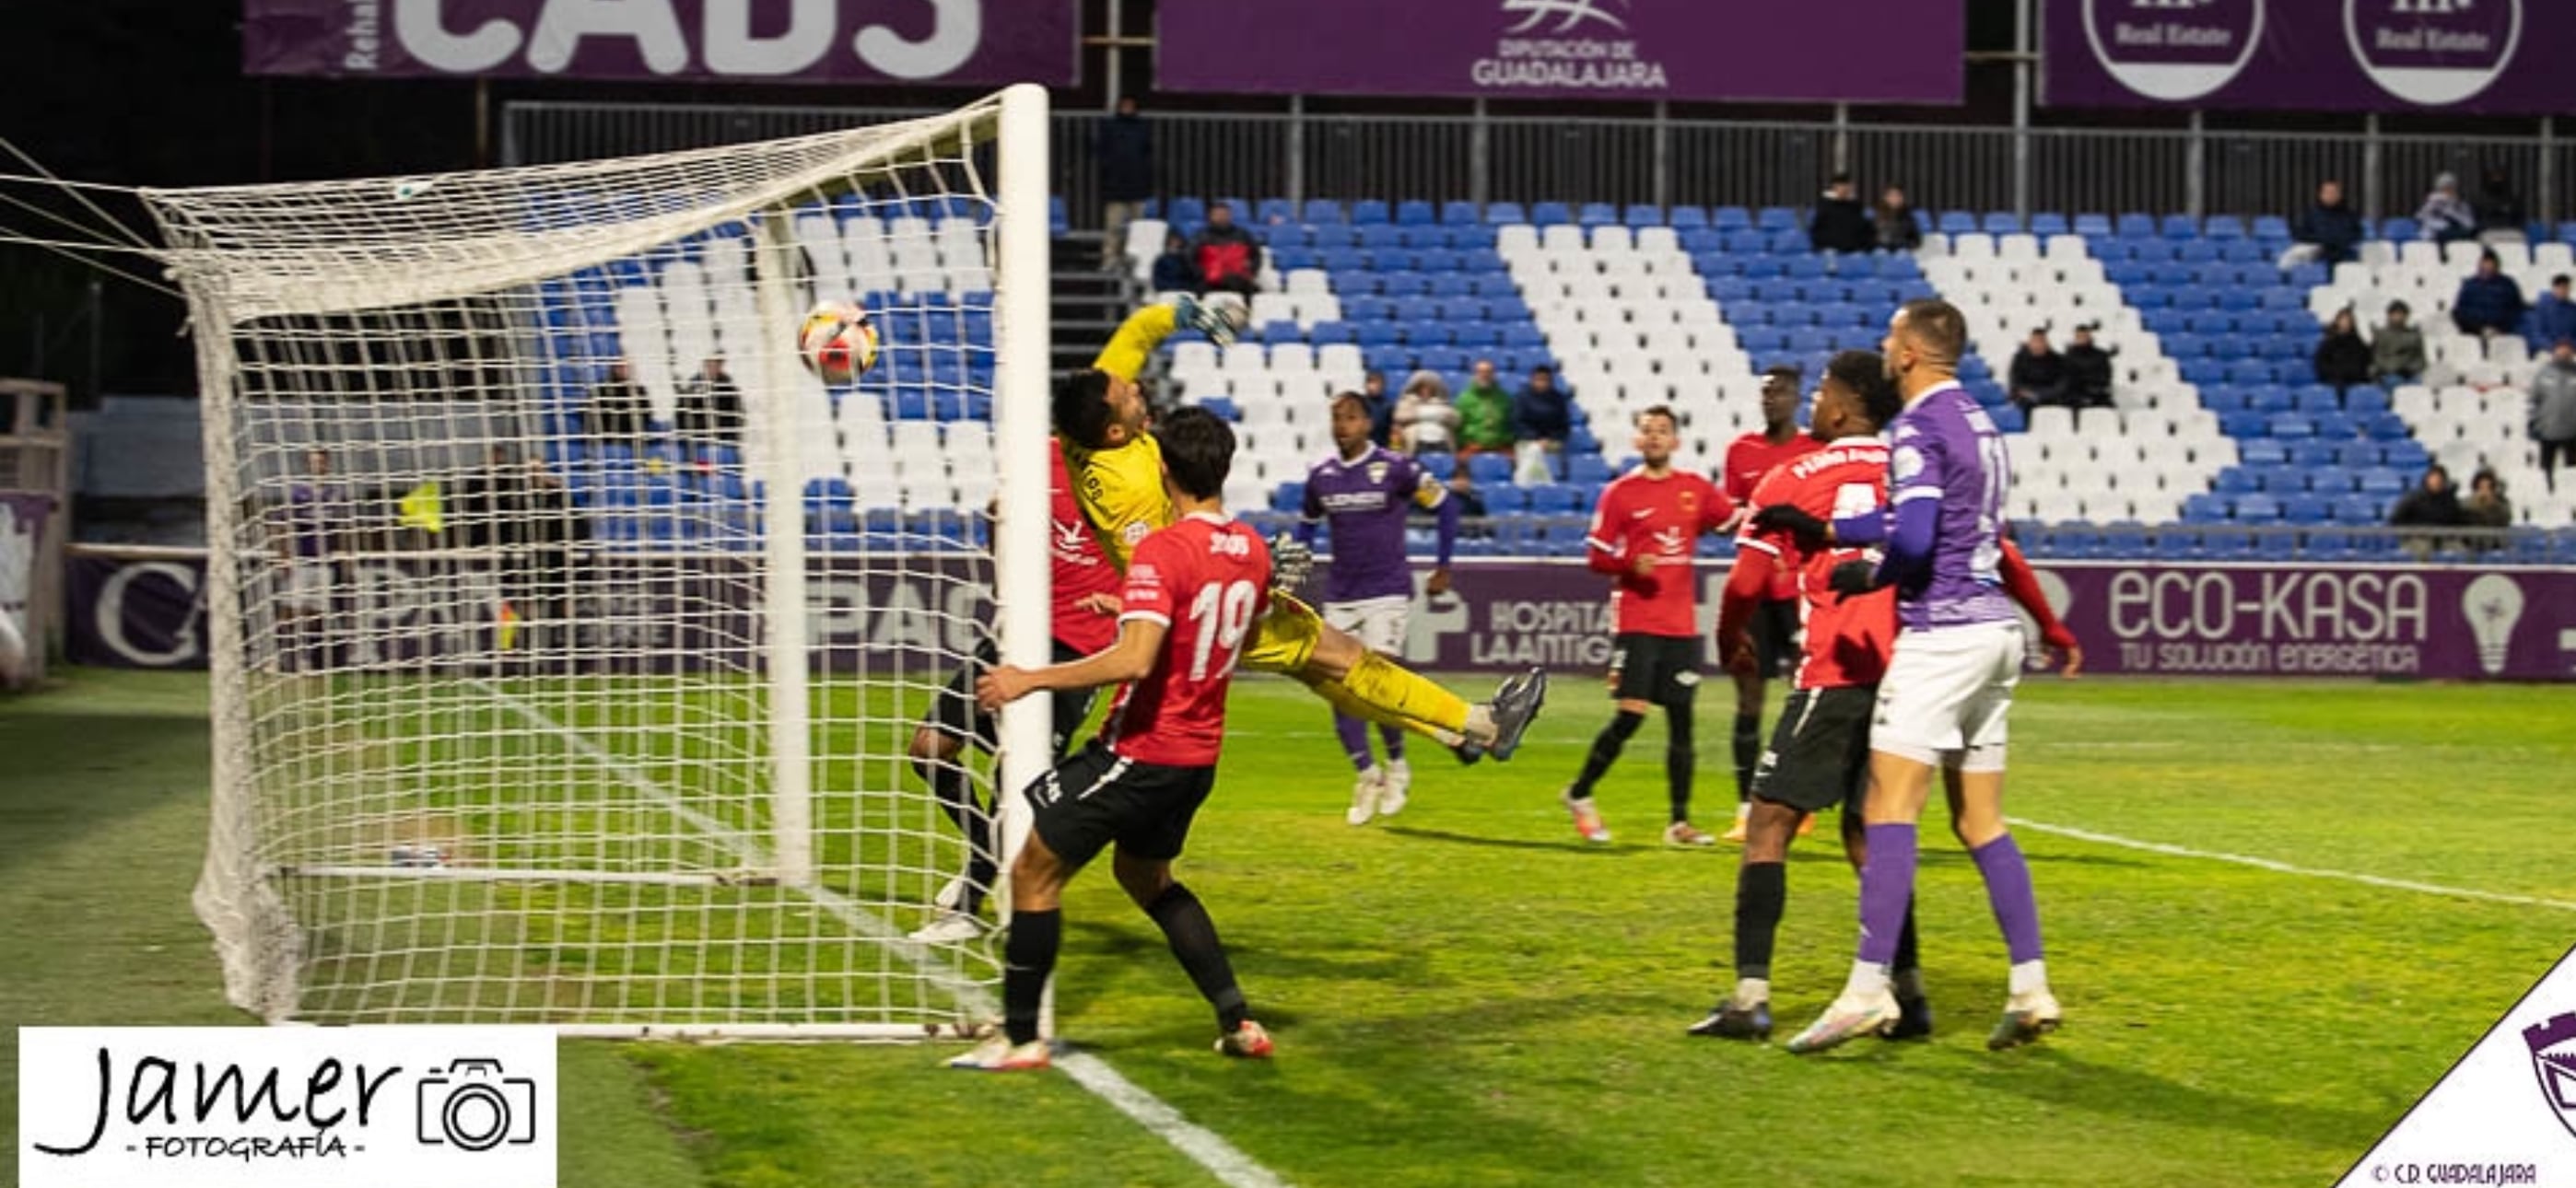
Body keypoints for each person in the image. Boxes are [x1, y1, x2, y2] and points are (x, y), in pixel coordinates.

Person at [1695, 349, 2086, 1042]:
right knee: (1876, 832)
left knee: (1769, 825)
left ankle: (1751, 996)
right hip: (1911, 664)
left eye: (1821, 392)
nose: (1813, 402)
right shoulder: (1916, 460)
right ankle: (1912, 991)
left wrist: (1733, 644)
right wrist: (2050, 625)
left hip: (1835, 673)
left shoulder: (1793, 475)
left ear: (1841, 406)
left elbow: (1748, 586)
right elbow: (2001, 553)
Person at [1063, 297, 1545, 765]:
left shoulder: (1079, 422)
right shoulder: (1132, 488)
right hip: (1203, 607)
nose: (1136, 390)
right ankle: (1481, 723)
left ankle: (1455, 731)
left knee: (1324, 671)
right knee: (1347, 659)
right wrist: (1246, 562)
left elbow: (1135, 333)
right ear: (1114, 433)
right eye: (1127, 396)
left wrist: (1183, 315)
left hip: (1193, 600)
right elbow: (1169, 557)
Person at [952, 407, 1273, 1071]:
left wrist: (1027, 679)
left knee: (1033, 872)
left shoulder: (1164, 547)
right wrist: (1130, 602)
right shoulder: (1252, 549)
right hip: (1199, 756)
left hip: (1143, 750)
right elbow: (1226, 620)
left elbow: (1133, 661)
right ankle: (1237, 1019)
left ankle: (1019, 1037)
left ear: (1162, 469)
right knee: (1146, 877)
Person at [905, 437, 1123, 944]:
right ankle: (984, 853)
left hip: (1082, 648)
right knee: (929, 748)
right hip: (1018, 632)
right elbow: (998, 514)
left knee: (1015, 780)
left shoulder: (1139, 469)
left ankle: (970, 907)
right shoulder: (1041, 450)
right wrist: (998, 527)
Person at [1559, 406, 1739, 848]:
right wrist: (1627, 564)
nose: (1656, 437)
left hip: (1680, 623)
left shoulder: (1694, 489)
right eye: (1648, 431)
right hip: (1639, 618)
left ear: (1676, 441)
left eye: (1663, 431)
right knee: (1632, 714)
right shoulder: (1620, 494)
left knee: (1683, 722)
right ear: (1637, 441)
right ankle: (1579, 793)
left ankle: (1679, 823)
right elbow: (1596, 556)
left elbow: (1733, 520)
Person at [1299, 392, 1460, 825]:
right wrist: (1297, 564)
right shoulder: (1321, 477)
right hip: (1340, 595)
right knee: (1336, 687)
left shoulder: (1396, 468)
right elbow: (1307, 527)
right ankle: (1368, 775)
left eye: (1350, 418)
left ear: (1367, 424)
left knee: (1377, 681)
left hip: (1386, 591)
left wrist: (1444, 565)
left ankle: (1398, 764)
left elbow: (1446, 506)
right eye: (1336, 418)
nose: (1342, 425)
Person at [1716, 365, 1821, 841]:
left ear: (1797, 398)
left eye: (1780, 392)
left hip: (1799, 592)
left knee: (1808, 695)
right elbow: (1733, 509)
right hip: (1759, 594)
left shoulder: (1814, 452)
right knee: (1750, 700)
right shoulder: (1741, 451)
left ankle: (1802, 801)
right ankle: (1745, 809)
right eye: (1766, 392)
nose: (1772, 399)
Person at [449, 445, 585, 656]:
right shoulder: (517, 499)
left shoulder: (559, 496)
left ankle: (568, 646)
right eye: (530, 471)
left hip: (555, 557)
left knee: (561, 601)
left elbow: (577, 523)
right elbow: (506, 525)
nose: (534, 475)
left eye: (537, 470)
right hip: (524, 558)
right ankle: (521, 646)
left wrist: (573, 544)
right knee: (521, 602)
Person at [1096, 96, 1153, 270]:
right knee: (1113, 226)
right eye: (1124, 106)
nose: (1127, 108)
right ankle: (1110, 257)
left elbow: (1147, 153)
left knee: (1139, 226)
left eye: (1130, 105)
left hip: (1138, 184)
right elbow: (1102, 151)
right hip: (1115, 185)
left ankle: (1137, 259)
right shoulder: (1109, 127)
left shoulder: (1142, 127)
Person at [2388, 463, 2464, 561]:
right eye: (2434, 478)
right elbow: (2396, 518)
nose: (2436, 481)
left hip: (2443, 539)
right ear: (2427, 479)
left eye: (2440, 479)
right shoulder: (2414, 498)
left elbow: (2458, 520)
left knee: (2461, 551)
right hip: (2418, 538)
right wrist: (2409, 533)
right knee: (2424, 550)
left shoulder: (2450, 500)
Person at [1511, 365, 1575, 479]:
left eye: (1545, 380)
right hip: (1527, 441)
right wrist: (1536, 439)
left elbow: (1563, 426)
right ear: (1532, 380)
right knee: (1532, 451)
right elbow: (1518, 423)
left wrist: (1549, 439)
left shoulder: (1559, 399)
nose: (1542, 383)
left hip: (1552, 442)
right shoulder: (1521, 398)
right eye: (1538, 380)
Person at [2531, 339, 2576, 494]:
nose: (2563, 356)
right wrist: (2534, 425)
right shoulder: (2543, 374)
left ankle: (2571, 495)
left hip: (2573, 433)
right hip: (2548, 431)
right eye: (2560, 352)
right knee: (2546, 469)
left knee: (2572, 471)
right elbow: (2534, 400)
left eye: (2567, 353)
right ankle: (2547, 494)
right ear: (2554, 353)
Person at [1189, 202, 1262, 297]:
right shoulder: (1200, 236)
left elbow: (1256, 255)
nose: (1221, 218)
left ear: (1230, 216)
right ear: (1210, 216)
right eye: (1218, 215)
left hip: (1238, 280)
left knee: (1258, 296)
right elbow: (1189, 258)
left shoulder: (1243, 235)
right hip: (1209, 281)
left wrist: (1252, 271)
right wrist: (1201, 274)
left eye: (1225, 215)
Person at [2453, 250, 2528, 339]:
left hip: (2503, 333)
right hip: (2474, 333)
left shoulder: (2507, 285)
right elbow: (2460, 312)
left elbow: (2516, 310)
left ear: (2496, 268)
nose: (2486, 272)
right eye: (2483, 269)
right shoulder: (2469, 286)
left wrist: (2501, 329)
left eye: (2489, 269)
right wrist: (2480, 329)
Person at [2291, 180, 2365, 267]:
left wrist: (2339, 241)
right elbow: (2300, 234)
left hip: (2342, 252)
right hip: (2317, 252)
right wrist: (2323, 241)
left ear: (2340, 195)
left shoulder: (2349, 215)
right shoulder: (2309, 215)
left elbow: (2357, 234)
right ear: (2321, 195)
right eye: (2327, 192)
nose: (2331, 195)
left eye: (2334, 192)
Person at [677, 355, 744, 448]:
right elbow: (681, 412)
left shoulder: (730, 389)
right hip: (696, 439)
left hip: (722, 439)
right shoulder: (692, 387)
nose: (712, 368)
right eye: (709, 364)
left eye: (716, 365)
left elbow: (737, 418)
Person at [1454, 359, 1517, 456]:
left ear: (1494, 375)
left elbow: (1512, 424)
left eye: (1488, 372)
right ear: (1474, 375)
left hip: (1500, 446)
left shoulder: (1504, 398)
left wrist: (1505, 439)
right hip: (1472, 446)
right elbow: (1457, 427)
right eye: (1480, 372)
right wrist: (1467, 442)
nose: (1485, 375)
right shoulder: (1464, 399)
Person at [1391, 369, 1460, 455]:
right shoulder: (1407, 402)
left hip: (1442, 443)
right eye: (1422, 387)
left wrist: (1441, 415)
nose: (1426, 390)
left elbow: (1456, 420)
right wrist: (1420, 414)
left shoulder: (1443, 402)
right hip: (1417, 443)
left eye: (1429, 387)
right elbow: (1399, 416)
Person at [587, 357, 652, 448]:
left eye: (626, 367)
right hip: (609, 436)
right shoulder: (600, 390)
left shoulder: (639, 390)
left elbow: (647, 414)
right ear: (613, 368)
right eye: (620, 367)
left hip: (634, 436)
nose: (624, 370)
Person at [1809, 173, 1875, 255]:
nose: (1844, 189)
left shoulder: (1856, 206)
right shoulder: (1825, 206)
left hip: (1855, 249)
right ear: (1834, 187)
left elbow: (1864, 229)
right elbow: (1818, 231)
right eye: (1841, 186)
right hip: (1831, 249)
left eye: (1847, 186)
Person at [2313, 309, 2375, 394]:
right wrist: (2336, 373)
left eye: (2348, 321)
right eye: (2343, 320)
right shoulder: (2329, 342)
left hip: (2355, 380)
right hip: (2336, 380)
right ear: (2337, 321)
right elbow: (2321, 363)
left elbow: (2365, 360)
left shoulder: (2358, 341)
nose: (2345, 323)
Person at [2006, 328, 2067, 413]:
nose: (2038, 344)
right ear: (2029, 342)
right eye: (2035, 341)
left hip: (2050, 397)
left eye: (2041, 341)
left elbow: (2061, 384)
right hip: (2025, 397)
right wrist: (2029, 393)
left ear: (2047, 343)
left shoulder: (2057, 360)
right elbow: (2015, 382)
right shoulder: (2019, 359)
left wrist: (2039, 395)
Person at [2063, 323, 2116, 409]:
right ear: (2075, 338)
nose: (2082, 339)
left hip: (2097, 395)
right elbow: (2067, 378)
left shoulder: (2101, 355)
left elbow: (2105, 377)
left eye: (2084, 336)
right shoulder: (2069, 356)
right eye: (2079, 336)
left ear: (2090, 337)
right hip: (2075, 396)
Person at [2373, 302, 2427, 386]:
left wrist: (2409, 370)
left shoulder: (2414, 335)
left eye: (2401, 314)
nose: (2398, 317)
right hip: (2388, 375)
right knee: (2393, 381)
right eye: (2395, 314)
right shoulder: (2381, 335)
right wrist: (2393, 369)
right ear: (2389, 315)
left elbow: (2421, 360)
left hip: (2410, 375)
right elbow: (2377, 358)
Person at [2418, 173, 2477, 244]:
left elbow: (2470, 225)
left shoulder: (2461, 205)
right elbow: (2420, 217)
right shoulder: (2433, 203)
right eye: (2445, 188)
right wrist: (2432, 205)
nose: (2448, 191)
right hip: (2435, 238)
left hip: (2458, 238)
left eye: (2451, 188)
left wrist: (2452, 210)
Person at [2461, 470, 2512, 553]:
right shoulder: (2467, 503)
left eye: (2488, 487)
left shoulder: (2501, 503)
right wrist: (2476, 504)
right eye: (2481, 487)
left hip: (2496, 544)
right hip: (2472, 544)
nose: (2485, 491)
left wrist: (2493, 505)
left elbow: (2506, 520)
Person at [2474, 164, 2526, 241]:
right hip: (2489, 231)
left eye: (2499, 177)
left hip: (2510, 231)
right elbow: (2476, 220)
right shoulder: (2480, 200)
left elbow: (2520, 218)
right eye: (2494, 177)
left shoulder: (2513, 199)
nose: (2497, 180)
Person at [2527, 275, 2576, 354]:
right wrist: (2553, 346)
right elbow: (2537, 335)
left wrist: (2571, 346)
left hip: (2571, 350)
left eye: (2566, 288)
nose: (2563, 291)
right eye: (2560, 288)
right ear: (2554, 289)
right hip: (2548, 350)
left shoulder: (2573, 309)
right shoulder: (2543, 308)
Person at [1873, 186, 1922, 253]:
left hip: (1902, 252)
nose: (1894, 198)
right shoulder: (1877, 217)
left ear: (1902, 198)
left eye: (1897, 196)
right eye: (1891, 195)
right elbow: (1872, 238)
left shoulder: (1908, 217)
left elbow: (1916, 240)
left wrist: (1905, 245)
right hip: (1882, 252)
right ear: (1886, 198)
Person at [1149, 229, 1199, 296]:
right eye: (1172, 240)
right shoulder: (1161, 260)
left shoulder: (1186, 260)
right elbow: (1157, 282)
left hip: (1184, 293)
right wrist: (1172, 288)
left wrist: (1183, 288)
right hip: (1166, 293)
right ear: (1168, 241)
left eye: (1177, 240)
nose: (1175, 243)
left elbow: (1192, 280)